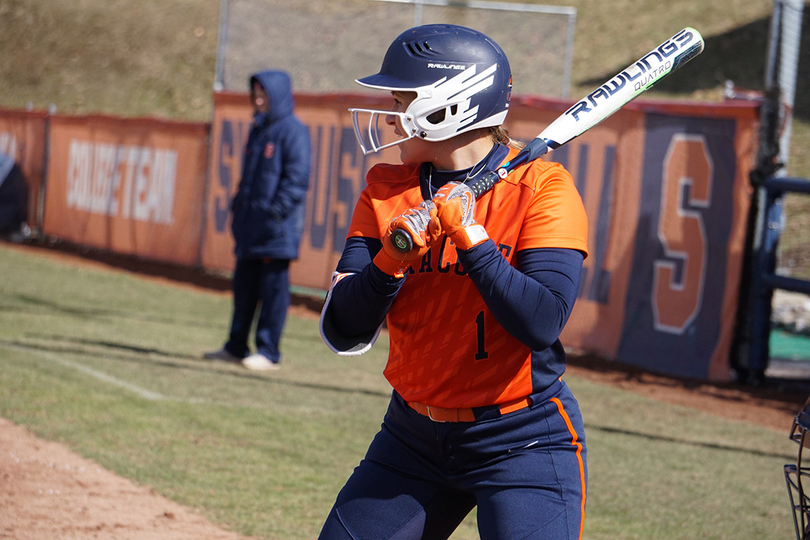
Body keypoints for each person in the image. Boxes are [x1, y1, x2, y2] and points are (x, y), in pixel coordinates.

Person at [318, 24, 589, 540]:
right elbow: (343, 328)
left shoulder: (543, 187)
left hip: (523, 438)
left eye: (403, 101)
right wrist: (389, 263)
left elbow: (542, 321)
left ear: (450, 108)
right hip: (411, 437)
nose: (390, 116)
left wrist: (471, 237)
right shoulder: (386, 188)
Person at [205, 70, 311, 371]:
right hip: (251, 230)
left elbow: (297, 179)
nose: (258, 99)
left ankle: (268, 352)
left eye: (263, 93)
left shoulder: (293, 131)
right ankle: (236, 346)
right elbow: (249, 180)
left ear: (277, 95)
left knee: (273, 294)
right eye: (255, 94)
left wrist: (274, 214)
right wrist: (240, 212)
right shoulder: (258, 129)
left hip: (276, 234)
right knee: (243, 291)